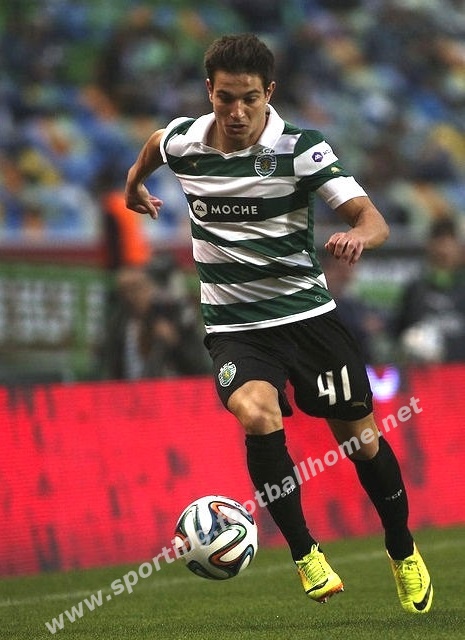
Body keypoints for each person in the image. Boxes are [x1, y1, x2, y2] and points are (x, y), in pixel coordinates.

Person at [125, 34, 432, 613]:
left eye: (249, 99)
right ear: (209, 92)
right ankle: (305, 554)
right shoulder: (186, 141)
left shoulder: (300, 149)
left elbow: (373, 219)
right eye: (225, 98)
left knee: (361, 442)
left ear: (269, 93)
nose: (237, 112)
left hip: (308, 319)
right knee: (256, 413)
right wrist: (133, 183)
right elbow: (155, 145)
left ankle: (402, 548)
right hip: (235, 326)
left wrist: (358, 235)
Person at [393, 217, 465, 364]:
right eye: (439, 243)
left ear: (459, 249)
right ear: (429, 247)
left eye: (449, 244)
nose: (444, 250)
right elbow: (399, 331)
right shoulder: (416, 289)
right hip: (425, 371)